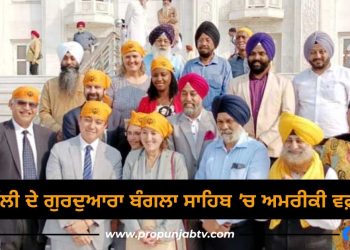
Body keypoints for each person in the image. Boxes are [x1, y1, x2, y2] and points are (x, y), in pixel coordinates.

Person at [43, 101, 123, 250]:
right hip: (64, 233)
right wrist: (72, 224)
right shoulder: (59, 150)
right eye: (87, 119)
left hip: (97, 234)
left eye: (98, 122)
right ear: (79, 121)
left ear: (105, 126)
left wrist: (86, 222)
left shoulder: (113, 155)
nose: (92, 126)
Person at [195, 94, 270, 250]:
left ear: (240, 121)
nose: (224, 126)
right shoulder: (211, 149)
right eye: (220, 122)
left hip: (240, 233)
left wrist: (219, 221)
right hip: (209, 230)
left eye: (229, 121)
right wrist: (206, 221)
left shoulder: (256, 150)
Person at [266, 112, 341, 250]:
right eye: (289, 140)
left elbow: (333, 222)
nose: (294, 146)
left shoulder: (327, 175)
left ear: (310, 145)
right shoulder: (273, 170)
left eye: (299, 141)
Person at [0, 86, 55, 250]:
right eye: (21, 103)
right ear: (11, 105)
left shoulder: (48, 136)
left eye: (32, 105)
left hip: (36, 221)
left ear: (37, 109)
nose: (27, 108)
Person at [123, 112, 188, 250]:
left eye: (154, 133)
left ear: (163, 136)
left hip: (166, 234)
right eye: (144, 132)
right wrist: (137, 231)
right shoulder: (132, 158)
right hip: (137, 233)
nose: (148, 138)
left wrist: (160, 234)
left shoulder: (176, 160)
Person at [227, 32, 295, 162]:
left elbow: (287, 116)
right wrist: (246, 139)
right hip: (243, 148)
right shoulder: (235, 84)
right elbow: (230, 115)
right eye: (252, 54)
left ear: (270, 56)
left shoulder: (283, 84)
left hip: (273, 152)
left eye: (261, 54)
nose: (256, 57)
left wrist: (265, 140)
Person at [293, 31, 350, 138]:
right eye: (313, 52)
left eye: (322, 51)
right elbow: (294, 110)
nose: (318, 56)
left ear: (329, 52)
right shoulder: (299, 80)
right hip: (306, 141)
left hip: (338, 142)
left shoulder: (345, 75)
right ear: (307, 55)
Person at [168, 73, 217, 179]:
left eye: (193, 94)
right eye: (184, 94)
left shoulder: (215, 121)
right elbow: (169, 159)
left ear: (202, 96)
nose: (188, 98)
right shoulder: (171, 123)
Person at [39, 41, 86, 141]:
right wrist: (58, 129)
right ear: (61, 61)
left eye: (72, 58)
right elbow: (43, 112)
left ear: (78, 61)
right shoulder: (49, 85)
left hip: (83, 135)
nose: (68, 62)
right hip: (57, 136)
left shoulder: (87, 83)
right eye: (65, 58)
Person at [182, 21, 232, 110]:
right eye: (200, 40)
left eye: (207, 40)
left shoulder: (224, 65)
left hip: (215, 117)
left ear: (215, 43)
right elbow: (183, 92)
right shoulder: (189, 66)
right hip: (193, 115)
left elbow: (227, 95)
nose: (204, 43)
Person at [108, 40, 150, 126]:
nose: (131, 60)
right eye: (127, 57)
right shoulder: (114, 83)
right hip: (118, 133)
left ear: (142, 58)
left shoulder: (151, 83)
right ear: (122, 59)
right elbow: (107, 109)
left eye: (135, 56)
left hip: (145, 134)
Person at [62, 69, 111, 140]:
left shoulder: (116, 117)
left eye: (97, 87)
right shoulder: (71, 117)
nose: (92, 91)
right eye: (88, 87)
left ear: (105, 91)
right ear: (84, 89)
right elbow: (70, 147)